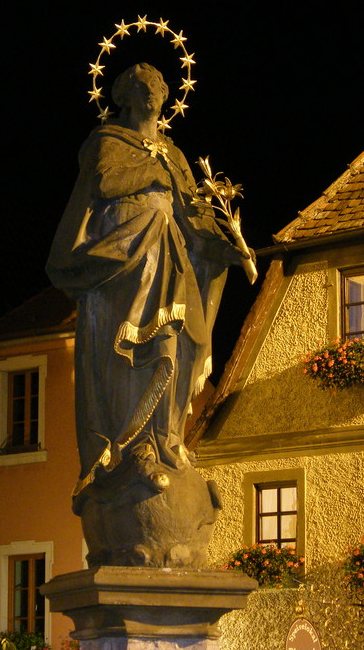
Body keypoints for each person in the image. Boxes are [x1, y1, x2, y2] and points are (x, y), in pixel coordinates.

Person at [47, 63, 255, 507]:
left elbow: (193, 215)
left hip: (172, 255)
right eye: (142, 86)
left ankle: (169, 439)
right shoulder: (107, 141)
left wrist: (227, 248)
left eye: (160, 85)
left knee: (183, 344)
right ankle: (133, 448)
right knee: (140, 348)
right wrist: (156, 174)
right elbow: (105, 182)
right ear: (122, 95)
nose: (153, 92)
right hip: (127, 252)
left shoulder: (175, 153)